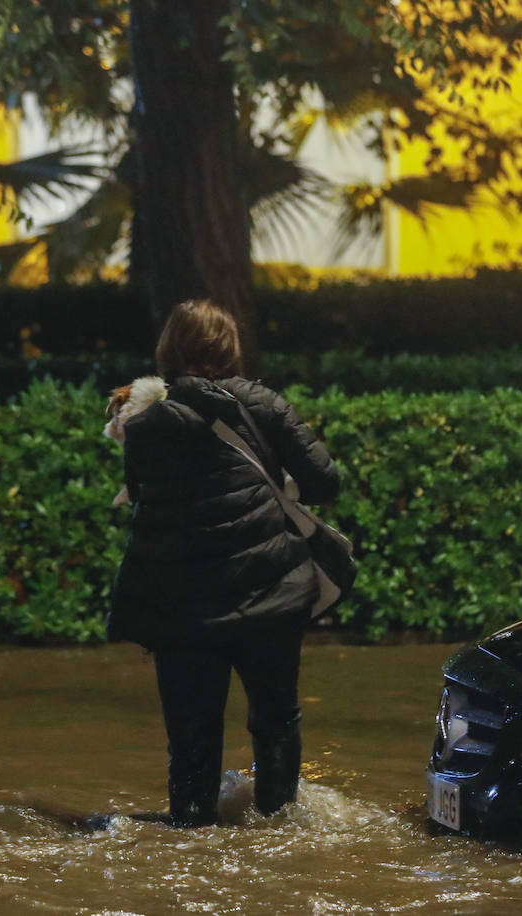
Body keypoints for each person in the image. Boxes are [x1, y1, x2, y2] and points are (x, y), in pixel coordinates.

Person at [108, 299, 340, 827]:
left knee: (191, 736)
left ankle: (190, 831)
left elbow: (140, 493)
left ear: (169, 351)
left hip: (181, 605)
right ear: (229, 349)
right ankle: (280, 829)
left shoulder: (145, 425)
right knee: (276, 719)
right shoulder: (264, 404)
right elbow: (326, 482)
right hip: (270, 595)